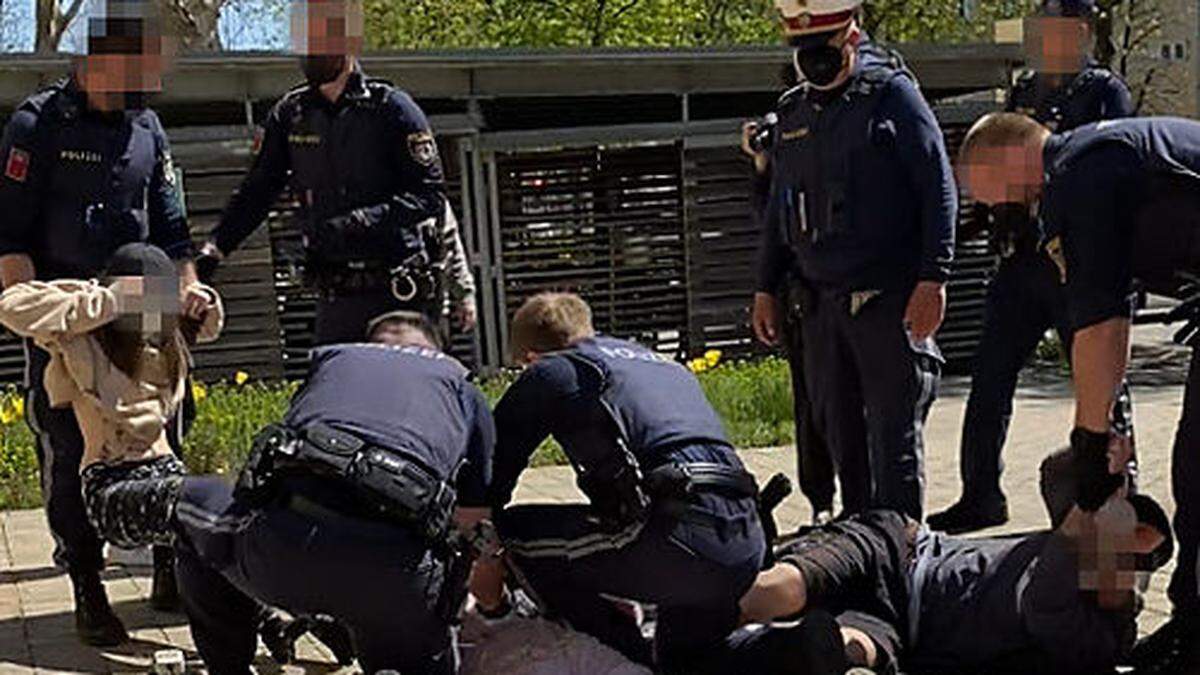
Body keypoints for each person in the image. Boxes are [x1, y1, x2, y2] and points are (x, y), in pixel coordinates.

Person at [75, 310, 495, 672]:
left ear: (369, 346)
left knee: (195, 513)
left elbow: (270, 473)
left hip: (283, 558)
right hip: (397, 587)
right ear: (439, 354)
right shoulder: (464, 392)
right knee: (398, 650)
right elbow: (473, 529)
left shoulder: (337, 364)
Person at [956, 112, 1200, 672]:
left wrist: (1091, 443)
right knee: (1194, 469)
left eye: (992, 198)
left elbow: (1102, 327)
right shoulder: (1092, 161)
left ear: (1009, 158)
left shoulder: (1078, 175)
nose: (996, 213)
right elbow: (1102, 322)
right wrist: (1103, 428)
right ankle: (1191, 621)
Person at [0, 2, 196, 644]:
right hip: (70, 314)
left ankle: (171, 568)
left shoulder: (149, 127)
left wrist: (188, 301)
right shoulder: (37, 123)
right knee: (72, 452)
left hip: (145, 314)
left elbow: (172, 232)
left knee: (166, 441)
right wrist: (36, 326)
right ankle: (88, 584)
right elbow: (11, 238)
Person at [472, 292, 766, 673]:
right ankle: (795, 648)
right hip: (746, 540)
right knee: (687, 661)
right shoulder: (663, 365)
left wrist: (481, 566)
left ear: (530, 357)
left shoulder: (555, 371)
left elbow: (489, 478)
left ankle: (623, 656)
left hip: (674, 540)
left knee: (517, 537)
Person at [929, 0, 1136, 535]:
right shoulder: (1026, 89)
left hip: (1075, 261)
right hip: (1022, 261)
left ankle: (1113, 489)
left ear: (1082, 32)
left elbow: (1094, 173)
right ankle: (980, 495)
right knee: (989, 378)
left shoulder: (1101, 91)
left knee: (1100, 379)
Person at [753, 0, 956, 520]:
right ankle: (860, 546)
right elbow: (781, 211)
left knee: (893, 440)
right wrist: (764, 288)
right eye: (802, 51)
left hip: (886, 299)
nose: (813, 62)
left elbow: (938, 187)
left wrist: (934, 277)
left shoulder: (892, 96)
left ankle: (903, 555)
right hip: (821, 308)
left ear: (851, 36)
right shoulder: (794, 112)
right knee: (840, 435)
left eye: (822, 49)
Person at [195, 0, 477, 345]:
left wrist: (362, 220)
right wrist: (214, 251)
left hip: (396, 290)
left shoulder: (391, 109)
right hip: (336, 293)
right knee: (335, 389)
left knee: (405, 391)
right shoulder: (291, 114)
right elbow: (258, 192)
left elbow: (429, 196)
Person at [726, 492, 1173, 675]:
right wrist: (1104, 470)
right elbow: (1057, 472)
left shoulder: (1097, 635)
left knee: (850, 649)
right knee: (783, 589)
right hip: (898, 549)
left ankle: (797, 649)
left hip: (905, 628)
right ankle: (700, 613)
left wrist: (1091, 517)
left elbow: (1045, 602)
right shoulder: (1071, 545)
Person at [0, 243, 221, 569]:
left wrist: (204, 299)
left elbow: (210, 326)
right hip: (112, 482)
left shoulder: (165, 341)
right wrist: (115, 299)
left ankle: (204, 604)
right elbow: (12, 305)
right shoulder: (84, 340)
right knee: (201, 509)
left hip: (165, 475)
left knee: (222, 517)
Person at [742, 64, 836, 525]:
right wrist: (764, 166)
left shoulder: (850, 129)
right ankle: (821, 503)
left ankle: (872, 507)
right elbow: (773, 225)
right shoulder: (788, 134)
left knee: (851, 402)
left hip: (852, 289)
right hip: (803, 297)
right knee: (810, 403)